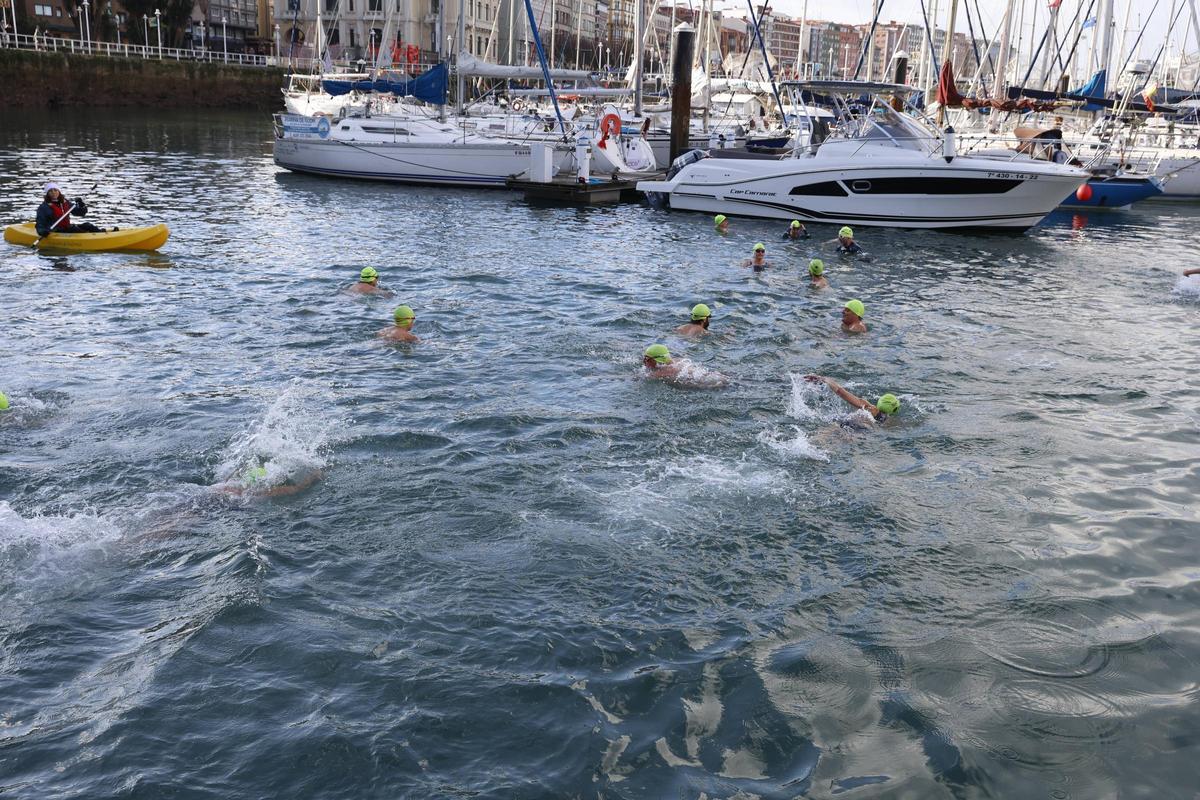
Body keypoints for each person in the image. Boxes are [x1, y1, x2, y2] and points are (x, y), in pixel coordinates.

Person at [804, 374, 900, 423]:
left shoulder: (872, 409)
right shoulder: (890, 422)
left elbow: (841, 392)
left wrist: (824, 379)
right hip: (861, 432)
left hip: (850, 424)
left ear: (880, 402)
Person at [35, 183, 108, 237]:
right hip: (55, 230)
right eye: (50, 191)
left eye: (55, 190)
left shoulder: (65, 202)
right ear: (47, 194)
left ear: (59, 191)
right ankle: (91, 237)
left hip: (67, 227)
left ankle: (103, 234)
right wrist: (42, 231)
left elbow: (80, 213)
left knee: (88, 225)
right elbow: (40, 224)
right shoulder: (44, 207)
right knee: (75, 229)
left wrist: (81, 205)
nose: (53, 192)